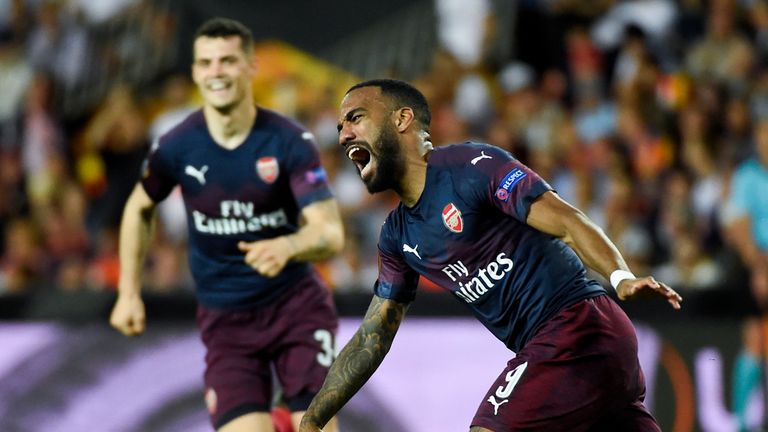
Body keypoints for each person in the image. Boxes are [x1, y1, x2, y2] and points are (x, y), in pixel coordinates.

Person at [299, 79, 682, 432]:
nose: (344, 133)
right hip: (579, 358)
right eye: (339, 127)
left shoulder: (470, 167)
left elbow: (566, 219)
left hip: (577, 327)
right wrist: (313, 419)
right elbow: (373, 336)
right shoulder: (397, 236)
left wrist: (620, 277)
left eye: (356, 118)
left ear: (402, 119)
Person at [108, 17, 344, 432]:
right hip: (226, 322)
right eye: (207, 62)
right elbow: (138, 208)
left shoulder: (288, 141)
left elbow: (330, 232)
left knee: (315, 426)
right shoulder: (177, 145)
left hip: (295, 309)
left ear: (251, 67)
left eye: (228, 60)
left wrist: (289, 247)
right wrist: (128, 292)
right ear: (196, 72)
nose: (216, 71)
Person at [722, 118, 768, 431]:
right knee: (754, 339)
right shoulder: (748, 176)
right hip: (757, 268)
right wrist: (759, 270)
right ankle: (741, 424)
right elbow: (739, 227)